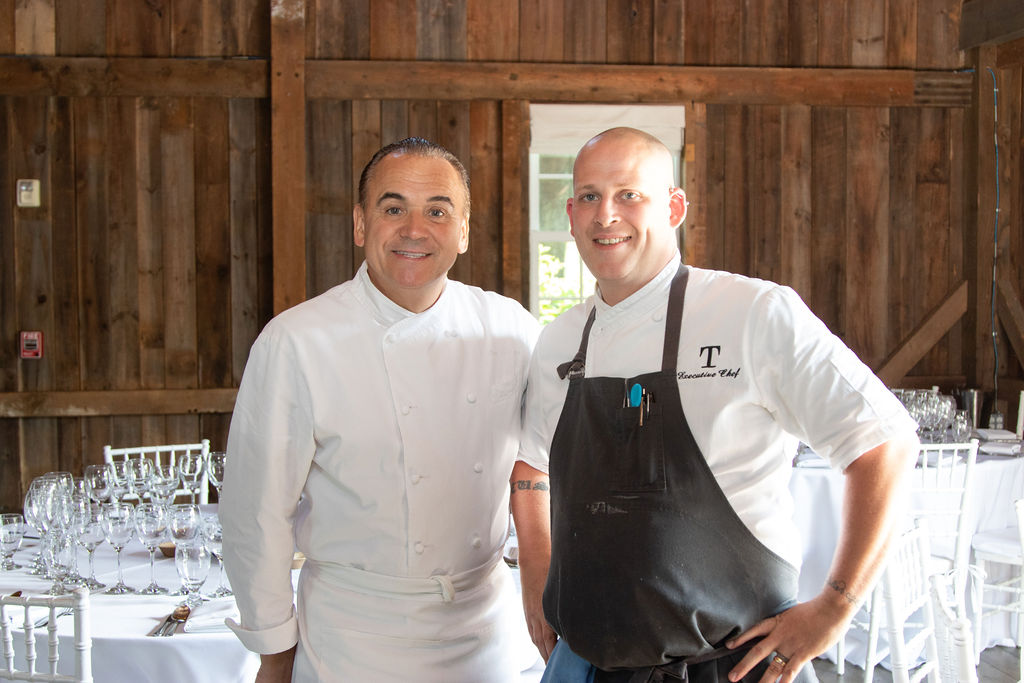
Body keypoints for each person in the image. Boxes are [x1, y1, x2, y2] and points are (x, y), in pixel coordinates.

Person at [515, 127, 920, 683]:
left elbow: (885, 443)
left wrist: (835, 607)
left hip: (730, 667)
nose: (605, 214)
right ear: (570, 213)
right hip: (584, 665)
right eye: (589, 196)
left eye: (629, 194)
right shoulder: (559, 341)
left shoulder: (752, 313)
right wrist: (536, 579)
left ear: (675, 207)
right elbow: (531, 467)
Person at [220, 137, 541, 682]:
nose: (415, 229)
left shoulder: (511, 329)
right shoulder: (296, 341)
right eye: (393, 208)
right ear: (360, 225)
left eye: (437, 211)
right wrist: (274, 652)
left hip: (485, 631)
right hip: (352, 637)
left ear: (463, 231)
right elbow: (256, 512)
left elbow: (541, 467)